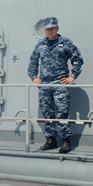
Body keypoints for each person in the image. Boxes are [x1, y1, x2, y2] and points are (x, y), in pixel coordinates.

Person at [27, 17, 84, 154]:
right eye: (47, 28)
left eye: (52, 28)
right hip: (45, 85)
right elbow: (33, 63)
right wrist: (34, 77)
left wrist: (72, 76)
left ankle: (66, 141)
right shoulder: (40, 45)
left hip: (60, 84)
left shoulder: (66, 43)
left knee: (62, 113)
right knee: (47, 113)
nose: (50, 30)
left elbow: (78, 60)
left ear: (57, 28)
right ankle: (51, 140)